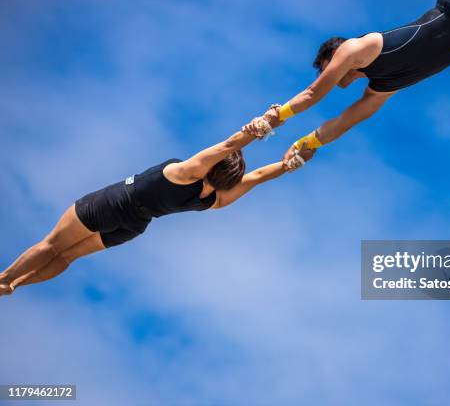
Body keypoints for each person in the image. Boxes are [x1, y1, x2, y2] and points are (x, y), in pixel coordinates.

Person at [0, 119, 315, 296]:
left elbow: (228, 146)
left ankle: (4, 277)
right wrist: (289, 164)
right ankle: (14, 286)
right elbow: (257, 176)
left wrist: (263, 124)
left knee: (53, 244)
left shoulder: (187, 171)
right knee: (66, 256)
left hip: (113, 204)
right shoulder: (213, 199)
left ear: (213, 164)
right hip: (134, 226)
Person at [244, 0, 450, 169]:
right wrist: (306, 144)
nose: (326, 77)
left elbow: (314, 94)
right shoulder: (382, 86)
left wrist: (275, 117)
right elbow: (343, 121)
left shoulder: (360, 48)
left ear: (338, 55)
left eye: (327, 68)